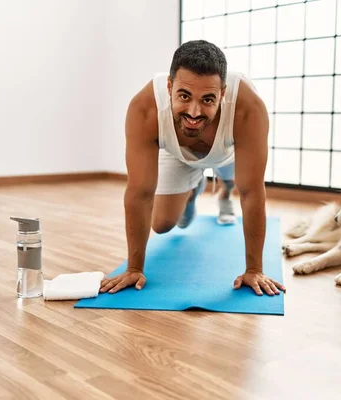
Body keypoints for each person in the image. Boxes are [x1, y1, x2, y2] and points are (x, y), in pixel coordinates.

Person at [99, 40, 285, 296]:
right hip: (179, 155)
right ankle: (195, 187)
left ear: (222, 93)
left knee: (238, 180)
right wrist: (134, 268)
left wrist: (254, 269)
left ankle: (224, 189)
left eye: (208, 99)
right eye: (184, 96)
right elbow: (140, 192)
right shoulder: (145, 109)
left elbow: (252, 192)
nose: (194, 112)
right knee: (162, 224)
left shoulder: (247, 109)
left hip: (228, 154)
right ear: (169, 87)